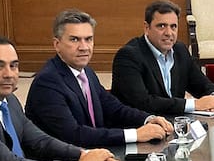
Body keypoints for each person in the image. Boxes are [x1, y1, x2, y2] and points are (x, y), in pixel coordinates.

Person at [0, 34, 120, 161]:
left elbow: (41, 141)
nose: (9, 74)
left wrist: (86, 155)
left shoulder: (10, 100)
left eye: (13, 66)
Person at [26, 9, 173, 147]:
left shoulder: (87, 72)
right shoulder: (47, 82)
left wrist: (148, 119)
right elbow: (73, 135)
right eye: (75, 40)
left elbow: (114, 108)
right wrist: (135, 134)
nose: (84, 47)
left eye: (88, 39)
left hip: (95, 154)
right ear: (57, 45)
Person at [111, 0, 214, 116]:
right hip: (141, 126)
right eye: (162, 26)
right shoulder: (128, 56)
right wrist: (194, 104)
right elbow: (142, 103)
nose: (169, 33)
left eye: (173, 27)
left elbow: (202, 84)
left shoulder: (180, 50)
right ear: (146, 28)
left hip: (174, 122)